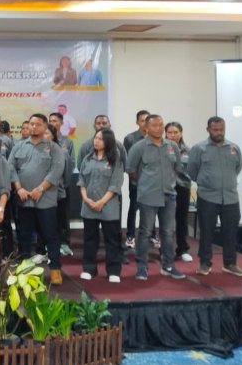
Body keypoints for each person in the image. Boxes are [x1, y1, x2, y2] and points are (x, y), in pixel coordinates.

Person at [126, 114, 185, 281]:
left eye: (161, 125)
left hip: (169, 195)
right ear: (146, 127)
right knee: (145, 232)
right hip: (148, 196)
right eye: (154, 125)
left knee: (167, 232)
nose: (158, 128)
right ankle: (141, 267)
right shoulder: (139, 147)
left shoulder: (172, 146)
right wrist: (146, 183)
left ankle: (168, 266)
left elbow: (177, 168)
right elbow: (131, 170)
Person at [8, 114, 64, 285]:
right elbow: (11, 168)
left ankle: (55, 270)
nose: (33, 127)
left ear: (45, 127)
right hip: (24, 199)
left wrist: (40, 189)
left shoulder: (53, 148)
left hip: (45, 200)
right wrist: (19, 188)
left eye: (38, 124)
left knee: (50, 236)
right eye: (31, 124)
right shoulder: (19, 146)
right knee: (24, 236)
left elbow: (56, 170)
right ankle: (24, 272)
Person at [187, 117, 242, 277]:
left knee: (231, 232)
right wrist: (207, 182)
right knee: (206, 232)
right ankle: (205, 263)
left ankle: (230, 264)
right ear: (208, 130)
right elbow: (192, 171)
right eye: (215, 130)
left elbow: (238, 168)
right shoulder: (199, 148)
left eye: (221, 129)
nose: (219, 132)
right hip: (208, 197)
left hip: (231, 198)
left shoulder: (233, 148)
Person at [78, 129, 124, 283]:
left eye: (100, 139)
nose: (96, 141)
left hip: (108, 206)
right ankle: (89, 269)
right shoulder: (87, 158)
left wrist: (101, 202)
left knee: (112, 240)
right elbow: (82, 181)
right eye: (95, 138)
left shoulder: (115, 159)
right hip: (89, 205)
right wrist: (86, 198)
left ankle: (113, 271)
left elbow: (115, 184)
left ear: (108, 142)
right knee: (89, 239)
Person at [123, 110, 152, 249]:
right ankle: (130, 236)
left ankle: (151, 235)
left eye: (147, 120)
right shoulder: (130, 138)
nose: (145, 123)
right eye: (142, 121)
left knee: (151, 209)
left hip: (153, 182)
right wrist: (135, 177)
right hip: (136, 180)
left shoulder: (156, 137)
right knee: (133, 208)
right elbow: (127, 162)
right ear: (137, 122)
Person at [164, 122, 193, 263]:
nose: (173, 135)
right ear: (165, 134)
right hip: (166, 187)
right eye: (170, 132)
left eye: (176, 132)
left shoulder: (187, 150)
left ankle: (182, 249)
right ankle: (165, 250)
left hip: (182, 187)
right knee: (165, 221)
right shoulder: (161, 148)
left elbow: (193, 169)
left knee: (181, 219)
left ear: (181, 133)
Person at [48, 112, 75, 256]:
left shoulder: (67, 142)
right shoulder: (43, 142)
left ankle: (64, 243)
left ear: (61, 123)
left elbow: (71, 164)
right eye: (50, 120)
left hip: (62, 185)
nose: (52, 123)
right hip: (47, 187)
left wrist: (64, 183)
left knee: (63, 216)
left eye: (55, 120)